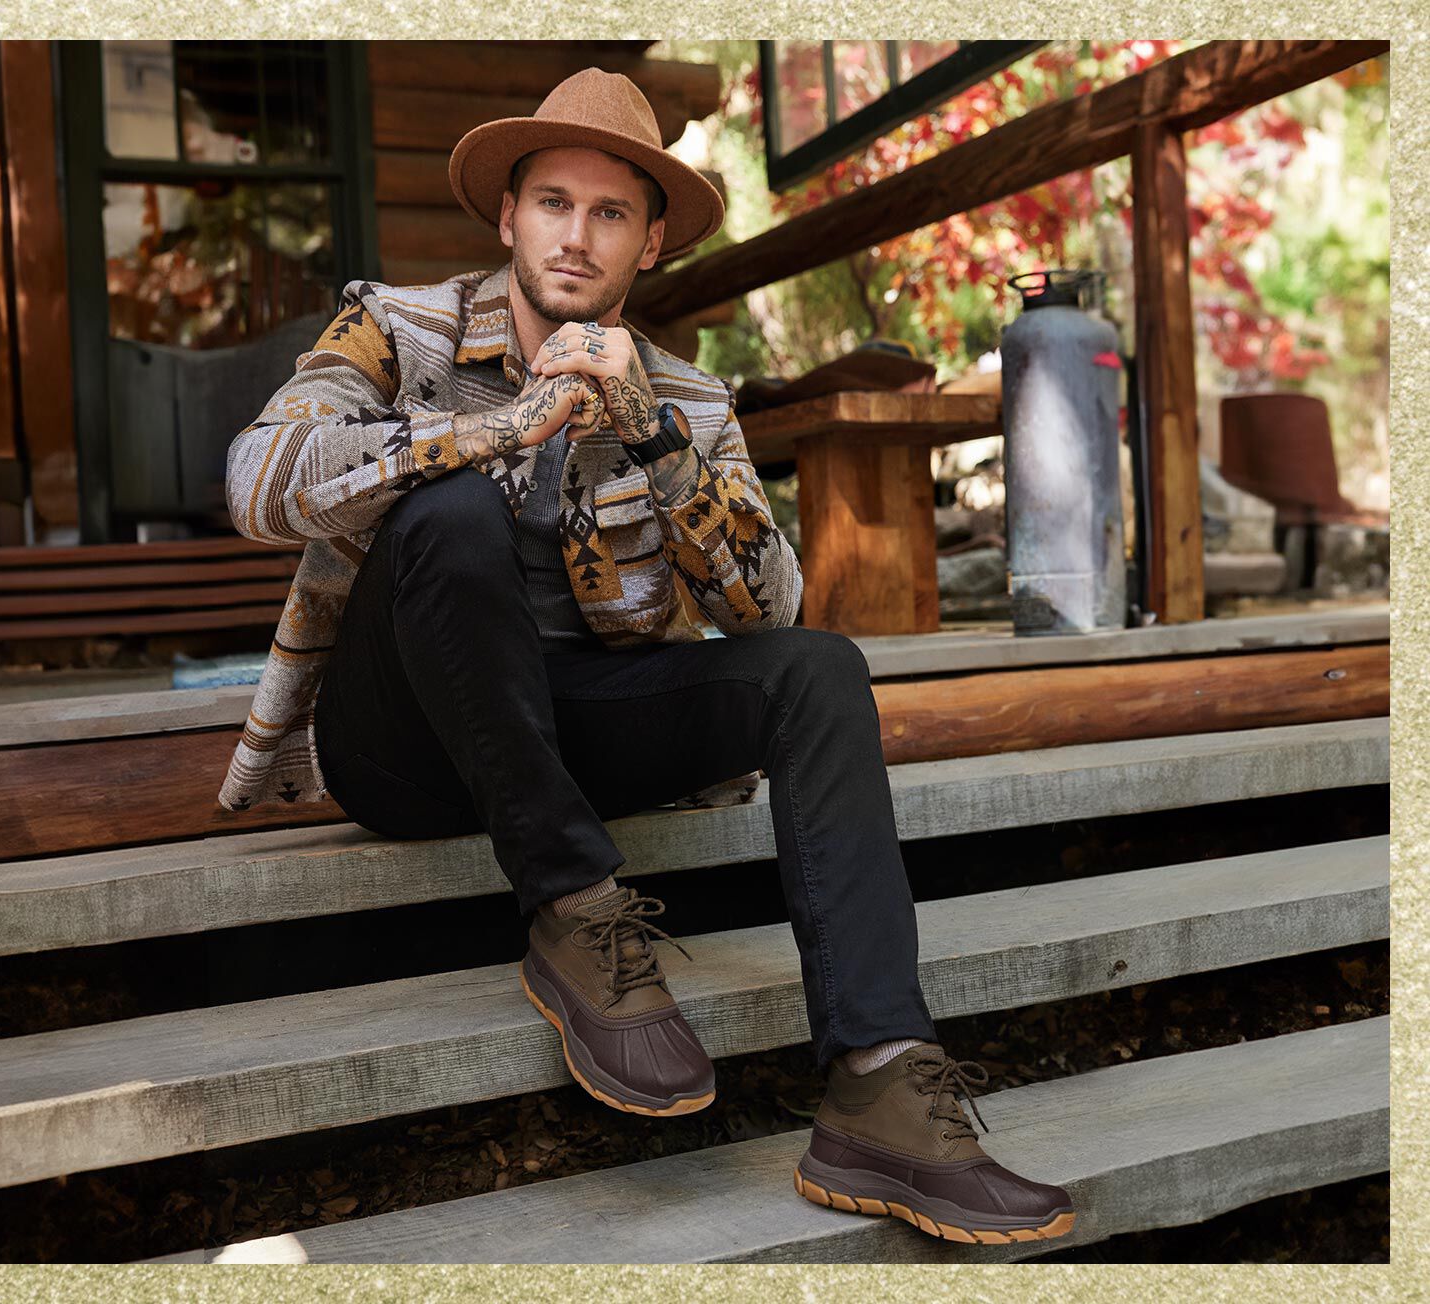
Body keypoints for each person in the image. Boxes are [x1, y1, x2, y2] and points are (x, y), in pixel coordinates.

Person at [219, 67, 1073, 1246]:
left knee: (819, 669)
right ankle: (575, 908)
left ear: (650, 240)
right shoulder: (395, 328)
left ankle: (881, 1078)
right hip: (405, 743)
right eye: (554, 203)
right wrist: (489, 432)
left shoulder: (682, 393)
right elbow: (255, 482)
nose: (578, 236)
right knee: (455, 513)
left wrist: (653, 436)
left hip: (577, 723)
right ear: (507, 216)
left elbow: (770, 605)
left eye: (610, 213)